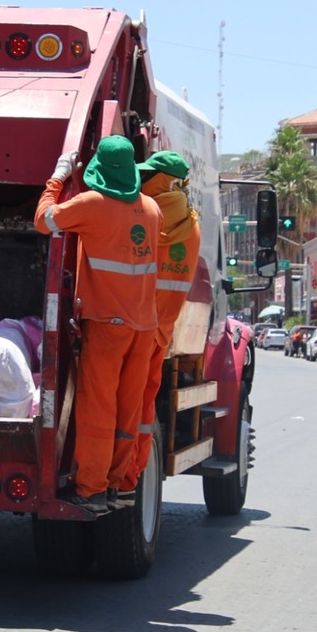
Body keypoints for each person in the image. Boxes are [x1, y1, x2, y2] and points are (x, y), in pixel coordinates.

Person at [34, 136, 162, 513]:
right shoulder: (151, 209)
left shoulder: (93, 205)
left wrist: (57, 179)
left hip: (108, 324)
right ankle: (120, 486)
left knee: (98, 409)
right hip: (144, 325)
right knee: (127, 410)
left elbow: (45, 221)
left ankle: (91, 489)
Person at [121, 150, 201, 504]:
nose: (142, 181)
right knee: (141, 411)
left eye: (149, 176)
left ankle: (117, 473)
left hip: (131, 328)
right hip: (160, 333)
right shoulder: (191, 223)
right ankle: (130, 475)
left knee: (120, 407)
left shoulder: (147, 214)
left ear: (168, 183)